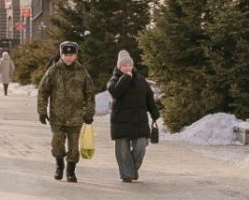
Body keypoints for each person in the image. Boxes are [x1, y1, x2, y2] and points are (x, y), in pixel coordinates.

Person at [37, 40, 95, 183]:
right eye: (66, 54)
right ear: (61, 55)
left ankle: (70, 170)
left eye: (72, 54)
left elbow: (89, 93)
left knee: (74, 146)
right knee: (57, 143)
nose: (69, 57)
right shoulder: (53, 71)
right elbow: (43, 91)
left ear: (76, 55)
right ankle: (59, 165)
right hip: (57, 116)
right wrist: (42, 111)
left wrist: (89, 112)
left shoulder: (82, 72)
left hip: (76, 116)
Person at [106, 50, 160, 183]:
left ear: (133, 65)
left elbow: (149, 98)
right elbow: (116, 92)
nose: (127, 68)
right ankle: (127, 174)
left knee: (141, 146)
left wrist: (154, 114)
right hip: (121, 121)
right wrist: (126, 78)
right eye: (124, 66)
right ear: (119, 67)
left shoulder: (141, 81)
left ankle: (132, 169)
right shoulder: (113, 81)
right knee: (123, 151)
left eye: (129, 65)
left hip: (139, 120)